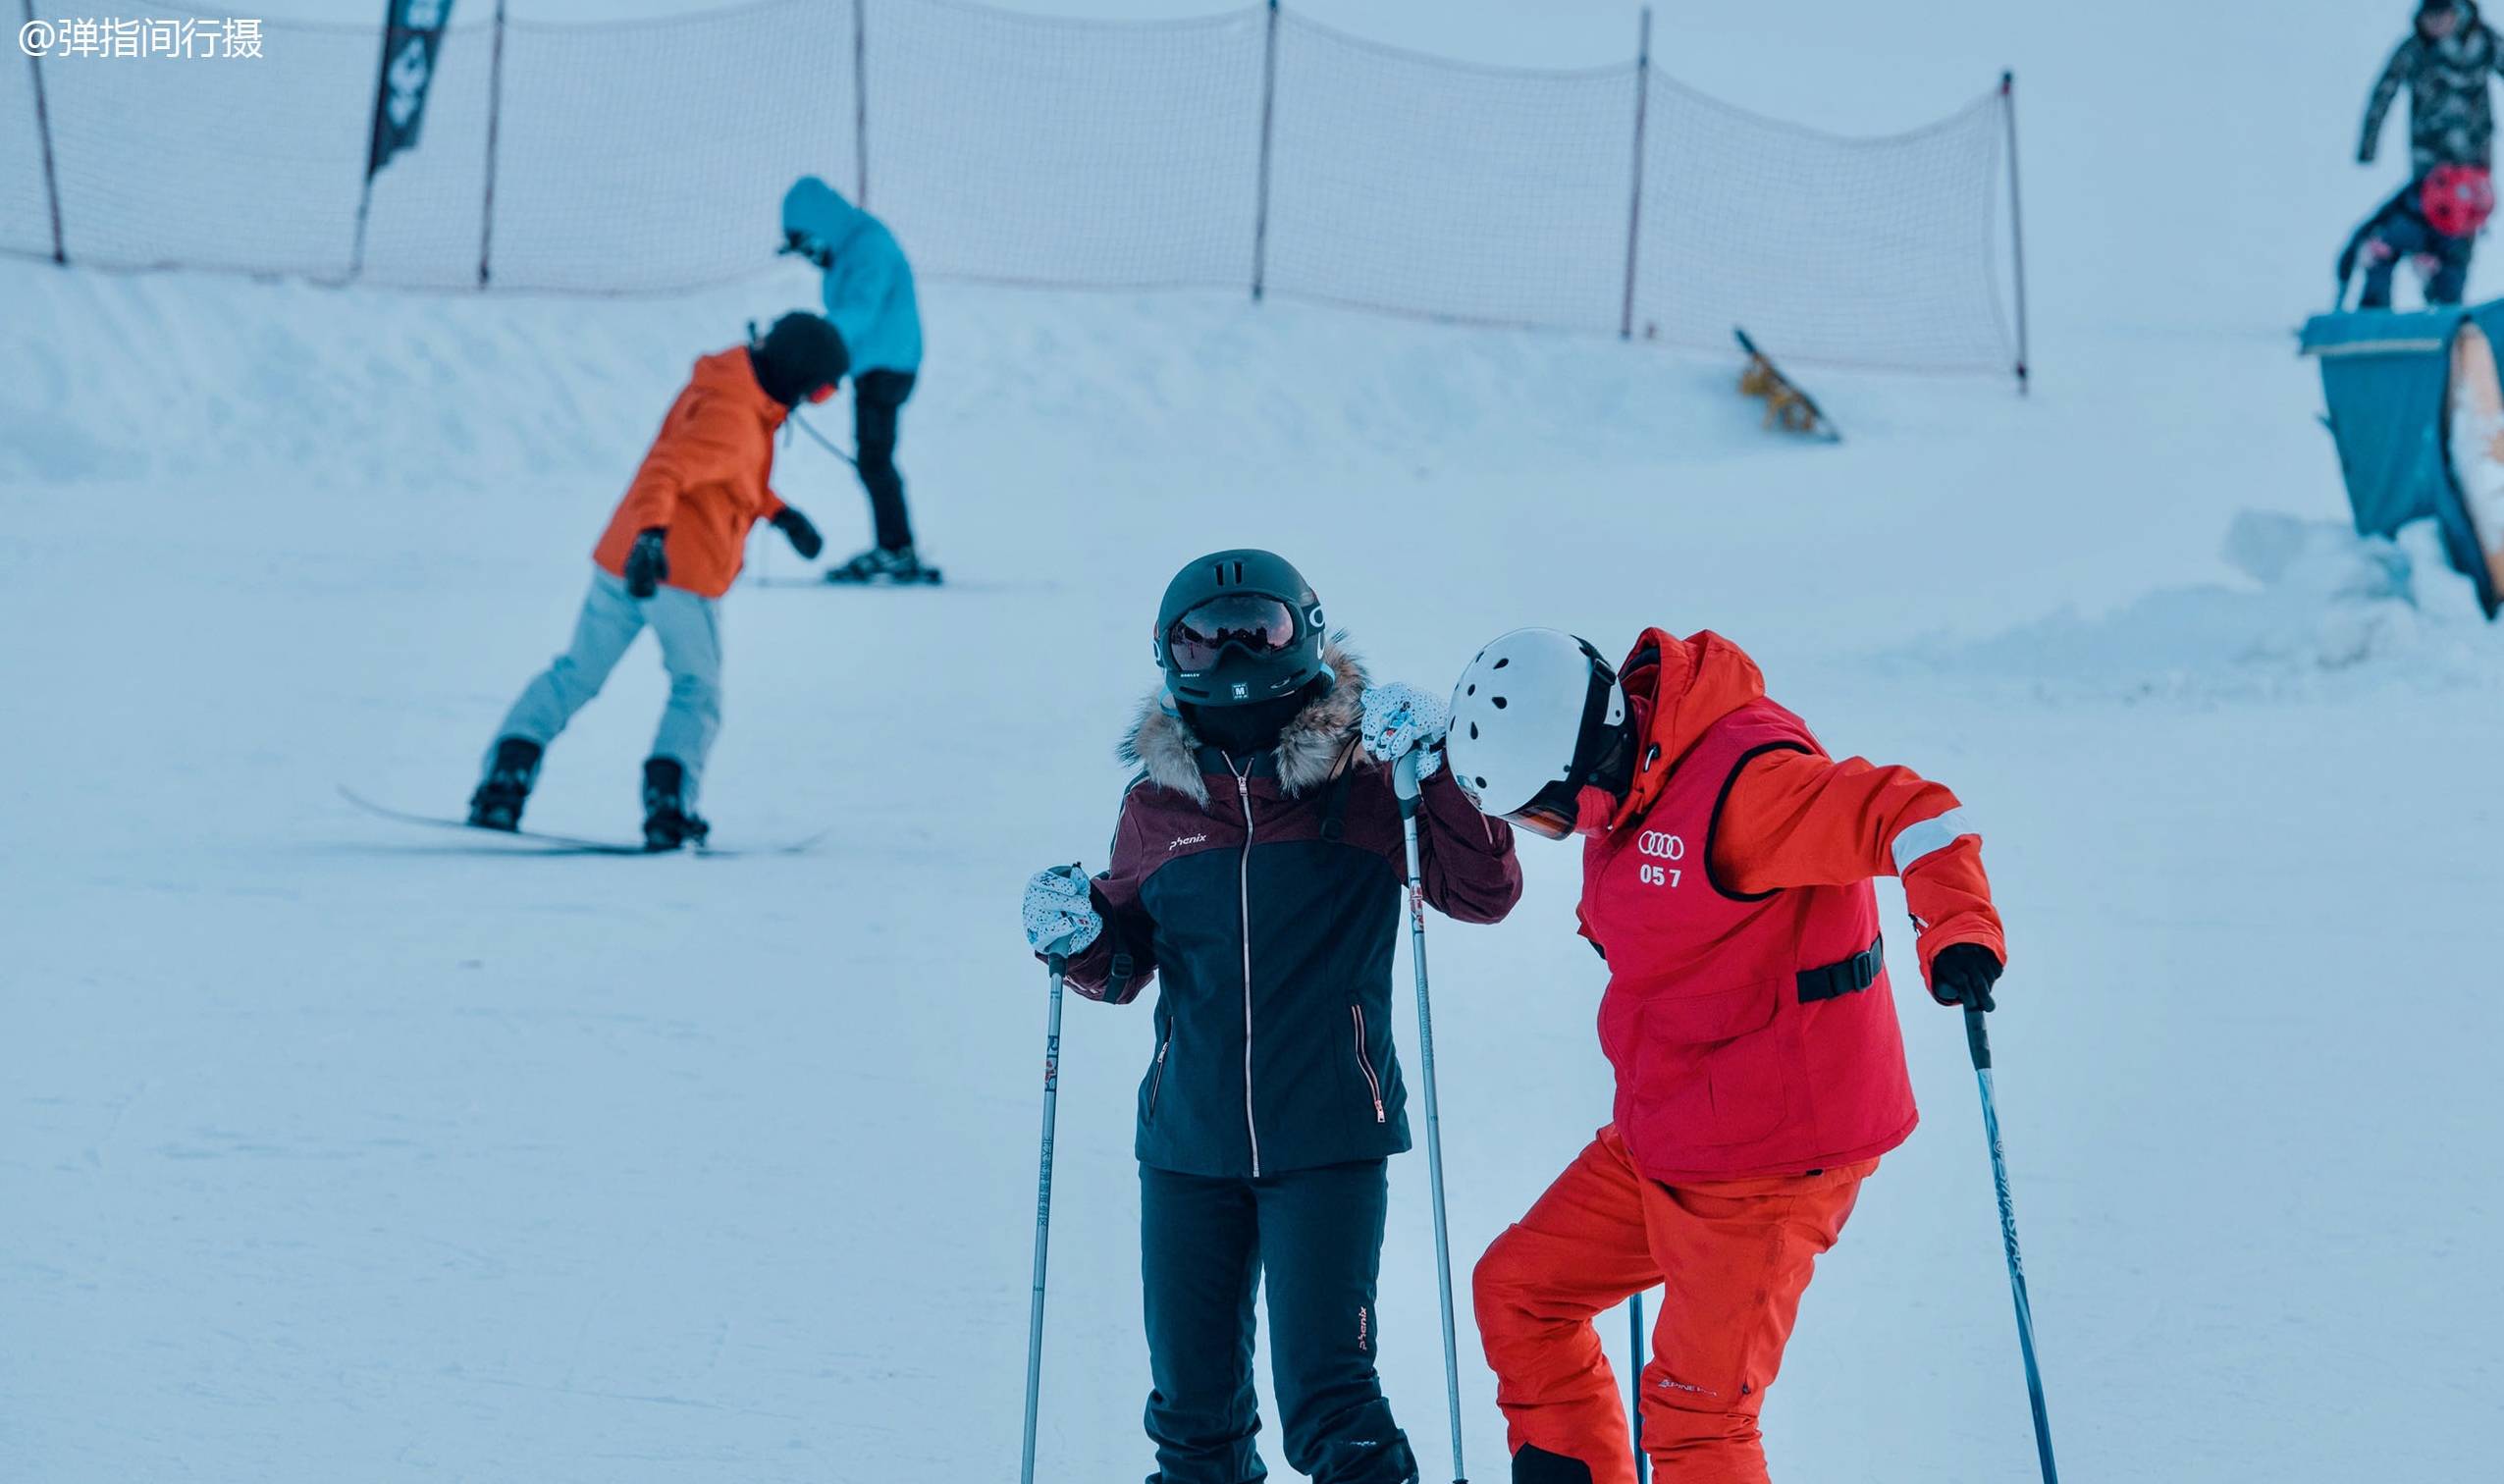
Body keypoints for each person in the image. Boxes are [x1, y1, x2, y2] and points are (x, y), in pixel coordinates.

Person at [1442, 627, 2007, 1484]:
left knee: (1697, 1418)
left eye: (1546, 814)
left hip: (1771, 1158)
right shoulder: (1635, 768)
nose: (1547, 833)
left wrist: (1958, 929)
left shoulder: (1751, 791)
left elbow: (1914, 810)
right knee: (1520, 1293)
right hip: (1668, 1128)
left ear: (1590, 751)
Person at [1019, 549, 1522, 1484]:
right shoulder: (1155, 806)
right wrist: (1078, 936)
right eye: (1202, 636)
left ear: (1308, 638)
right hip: (1185, 1149)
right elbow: (1124, 966)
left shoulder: (1374, 789)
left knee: (1331, 1408)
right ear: (1169, 655)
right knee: (1192, 1419)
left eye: (1260, 626)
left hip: (1327, 1140)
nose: (1232, 649)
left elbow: (1482, 892)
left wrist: (1440, 770)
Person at [467, 313, 841, 850]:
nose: (814, 400)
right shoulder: (736, 417)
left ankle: (503, 782)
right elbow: (667, 470)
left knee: (575, 674)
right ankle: (670, 807)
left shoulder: (728, 385)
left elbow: (722, 474)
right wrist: (653, 537)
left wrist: (778, 513)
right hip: (676, 572)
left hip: (621, 561)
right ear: (797, 373)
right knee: (697, 691)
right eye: (821, 390)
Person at [780, 176, 929, 585]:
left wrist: (811, 349)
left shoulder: (867, 246)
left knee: (874, 459)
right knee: (873, 458)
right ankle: (896, 547)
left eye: (808, 243)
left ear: (820, 223)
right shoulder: (851, 247)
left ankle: (897, 551)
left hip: (888, 364)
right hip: (876, 362)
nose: (810, 256)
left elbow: (860, 311)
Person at [2353, 2, 2504, 304]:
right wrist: (2368, 145)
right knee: (2397, 235)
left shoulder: (2483, 43)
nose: (2435, 25)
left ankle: (2446, 306)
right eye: (2429, 18)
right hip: (2430, 169)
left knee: (2456, 244)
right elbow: (2384, 92)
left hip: (2474, 169)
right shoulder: (2415, 50)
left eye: (2442, 17)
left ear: (2457, 14)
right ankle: (2375, 310)